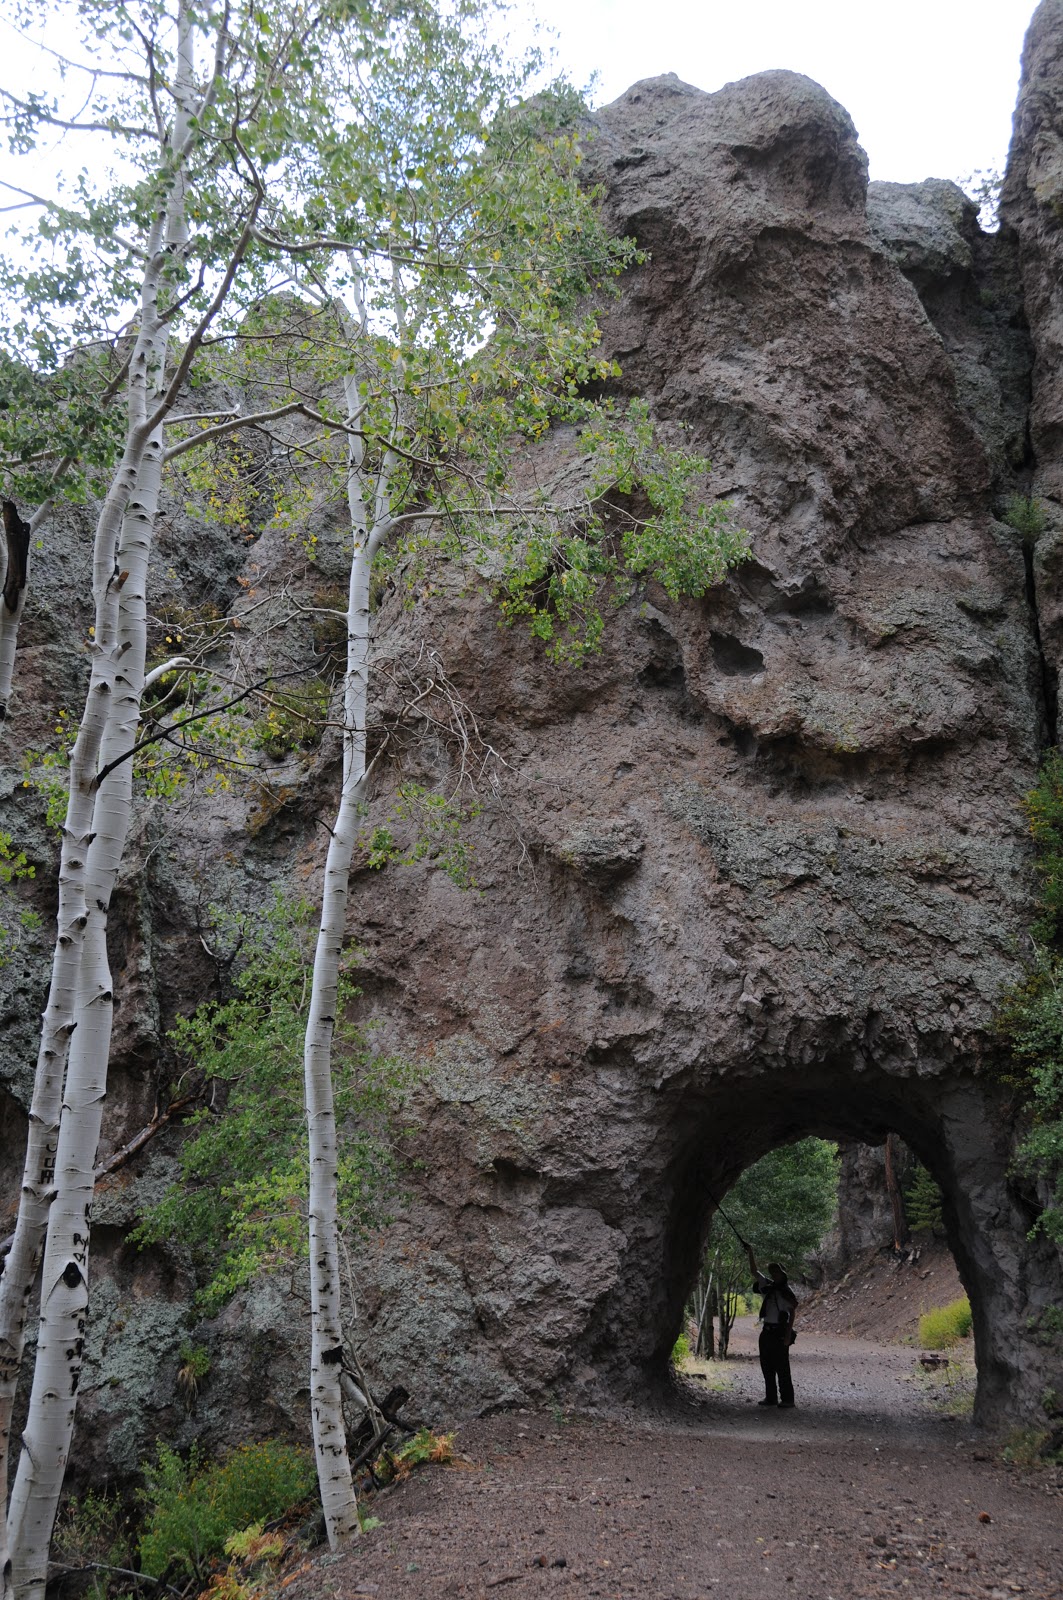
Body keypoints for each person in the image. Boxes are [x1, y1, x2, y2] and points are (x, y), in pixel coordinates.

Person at [746, 1243, 798, 1409]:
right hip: (766, 1331)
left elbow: (792, 1313)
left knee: (782, 1367)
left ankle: (788, 1399)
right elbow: (754, 1272)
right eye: (773, 1272)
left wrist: (788, 1335)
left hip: (780, 1332)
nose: (775, 1274)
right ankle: (771, 1398)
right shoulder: (768, 1287)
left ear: (783, 1274)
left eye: (778, 1272)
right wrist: (750, 1252)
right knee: (766, 1365)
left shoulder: (785, 1292)